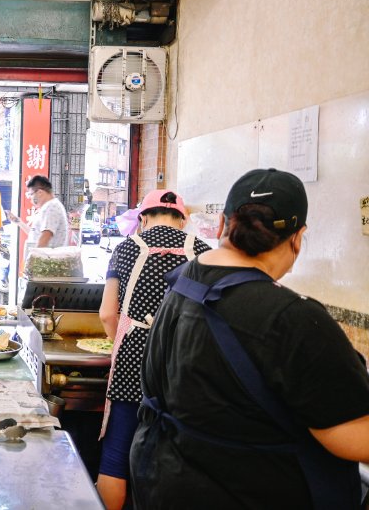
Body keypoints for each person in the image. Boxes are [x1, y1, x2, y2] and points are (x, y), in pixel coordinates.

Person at [130, 169, 369, 509]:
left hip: (166, 484)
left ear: (223, 226)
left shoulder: (182, 285)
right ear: (298, 238)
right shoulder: (293, 318)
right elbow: (355, 440)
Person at [95, 189, 211, 510]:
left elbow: (107, 313)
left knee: (117, 457)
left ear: (143, 218)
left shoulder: (127, 248)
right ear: (182, 220)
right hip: (183, 366)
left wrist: (119, 340)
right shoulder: (202, 251)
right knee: (174, 460)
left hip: (134, 362)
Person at [7, 175, 69, 252]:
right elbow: (36, 234)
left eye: (31, 194)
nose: (31, 199)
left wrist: (34, 259)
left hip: (46, 261)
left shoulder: (52, 207)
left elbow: (46, 235)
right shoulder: (49, 206)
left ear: (40, 192)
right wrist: (19, 222)